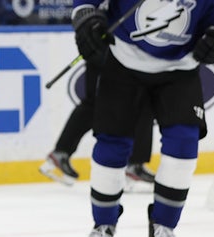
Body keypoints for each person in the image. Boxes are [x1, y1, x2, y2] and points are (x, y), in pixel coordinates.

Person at [71, 0, 214, 237]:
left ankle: (163, 227)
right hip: (123, 60)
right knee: (111, 145)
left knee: (183, 143)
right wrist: (86, 18)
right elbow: (85, 4)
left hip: (180, 69)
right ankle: (103, 223)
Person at [40, 61, 157, 189]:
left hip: (128, 55)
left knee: (143, 101)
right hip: (103, 54)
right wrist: (87, 44)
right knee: (97, 101)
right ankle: (61, 152)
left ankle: (135, 164)